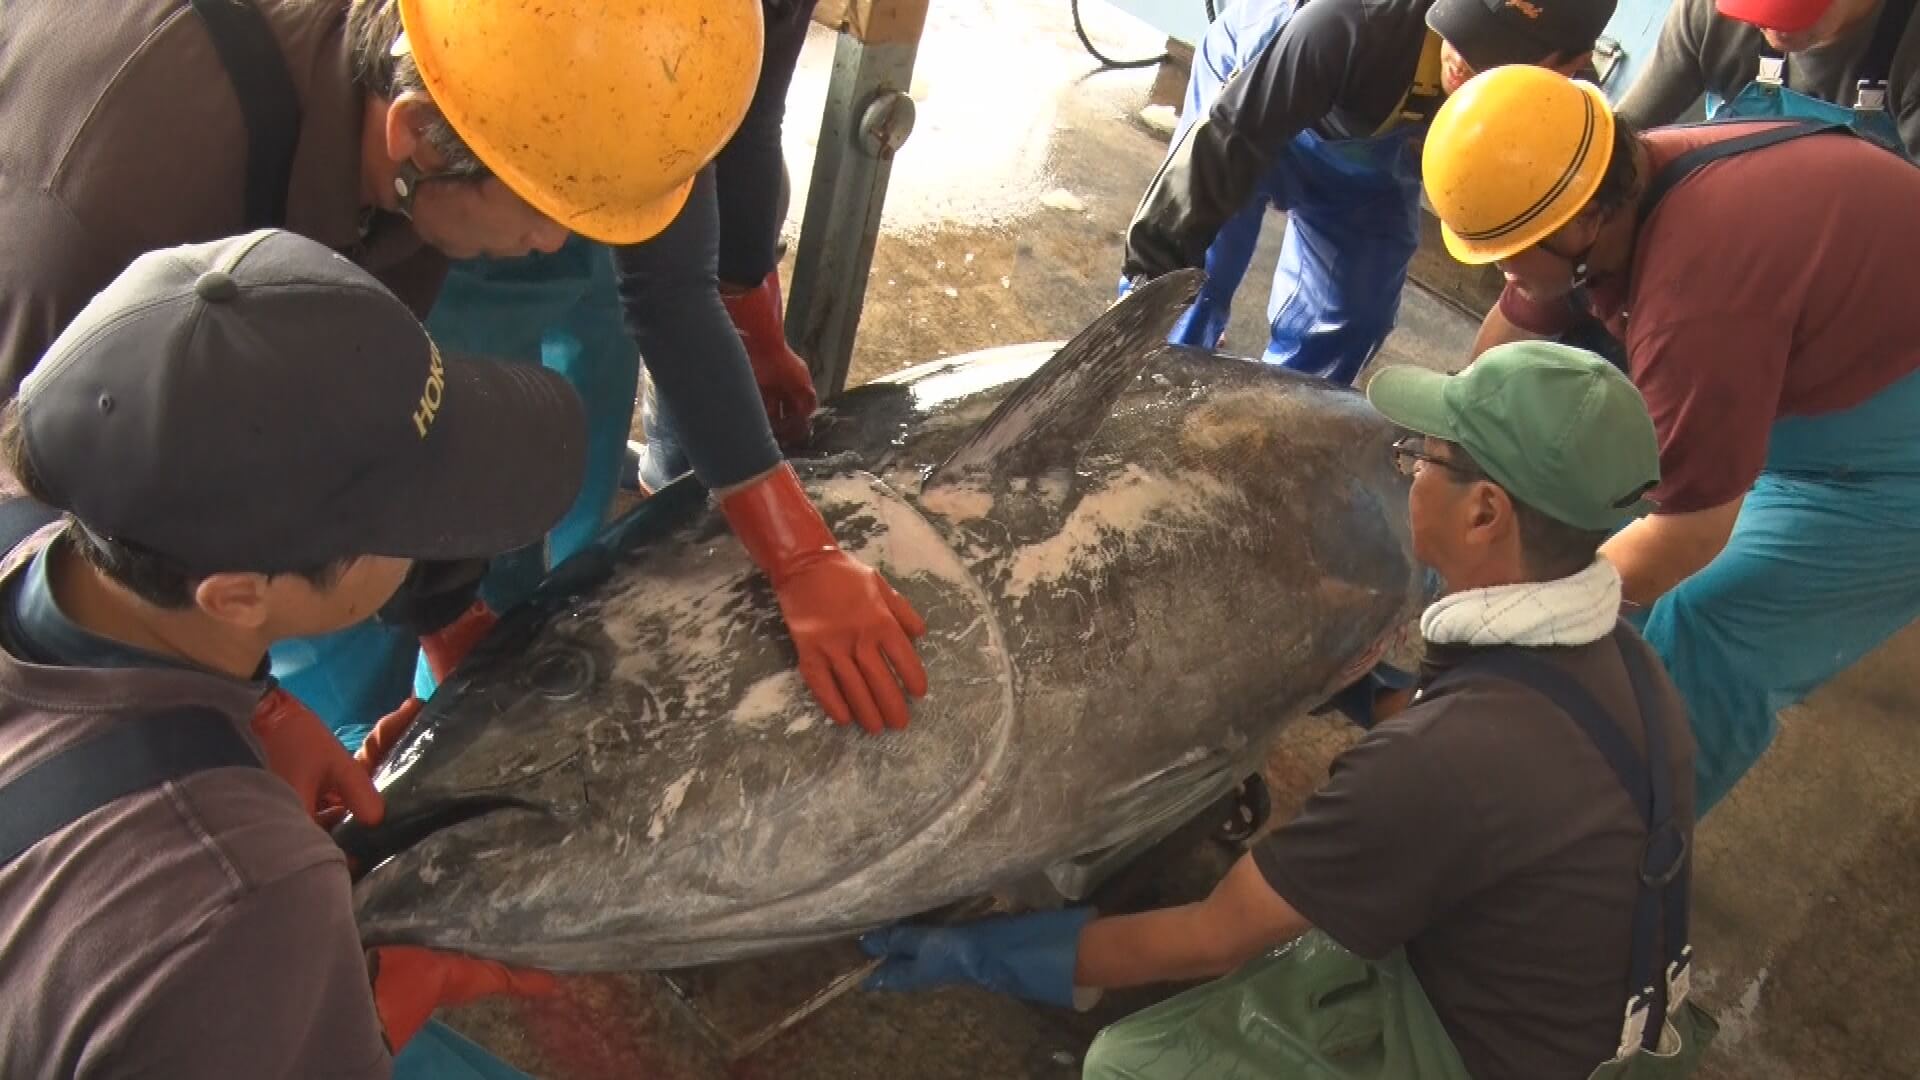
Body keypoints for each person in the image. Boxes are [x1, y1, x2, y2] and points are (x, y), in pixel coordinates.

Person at [0, 0, 926, 763]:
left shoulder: (477, 93)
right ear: (420, 146)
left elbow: (658, 291)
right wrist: (242, 712)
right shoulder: (100, 219)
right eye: (547, 214)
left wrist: (446, 620)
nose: (560, 249)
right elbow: (58, 530)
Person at [861, 344, 1712, 1080]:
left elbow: (1214, 936)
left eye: (1423, 456)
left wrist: (989, 954)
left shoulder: (1440, 762)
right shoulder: (1626, 665)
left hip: (1481, 1058)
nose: (1408, 468)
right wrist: (1363, 685)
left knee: (1129, 1061)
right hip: (1601, 1031)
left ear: (1485, 511)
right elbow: (1481, 775)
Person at [0, 229, 572, 1078]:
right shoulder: (249, 893)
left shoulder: (49, 529)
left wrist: (252, 716)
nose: (429, 546)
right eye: (402, 529)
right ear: (237, 595)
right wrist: (407, 983)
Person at [1423, 64, 1920, 813]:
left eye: (1508, 250)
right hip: (1822, 375)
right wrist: (1445, 453)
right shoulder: (1607, 176)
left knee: (1710, 630)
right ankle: (1540, 754)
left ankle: (1597, 870)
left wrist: (1505, 627)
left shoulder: (1696, 296)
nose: (1500, 270)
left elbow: (1685, 534)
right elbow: (1517, 326)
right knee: (1566, 537)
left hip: (1891, 467)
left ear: (1580, 226)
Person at [1118, 0, 1615, 386]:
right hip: (1255, 90)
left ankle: (1273, 417)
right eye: (1465, 19)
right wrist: (1139, 298)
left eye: (1498, 48)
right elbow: (1227, 139)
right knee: (1197, 267)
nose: (1462, 55)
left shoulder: (1561, 116)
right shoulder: (1351, 19)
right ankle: (1151, 379)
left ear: (1568, 66)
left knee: (1355, 316)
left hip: (1374, 159)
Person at [628, 0, 825, 493]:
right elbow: (665, 294)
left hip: (668, 136)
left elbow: (755, 116)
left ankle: (671, 478)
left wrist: (754, 325)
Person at [1617, 0, 1918, 157]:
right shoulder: (1707, 14)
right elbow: (1623, 136)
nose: (1772, 29)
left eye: (1790, 10)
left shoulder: (1910, 55)